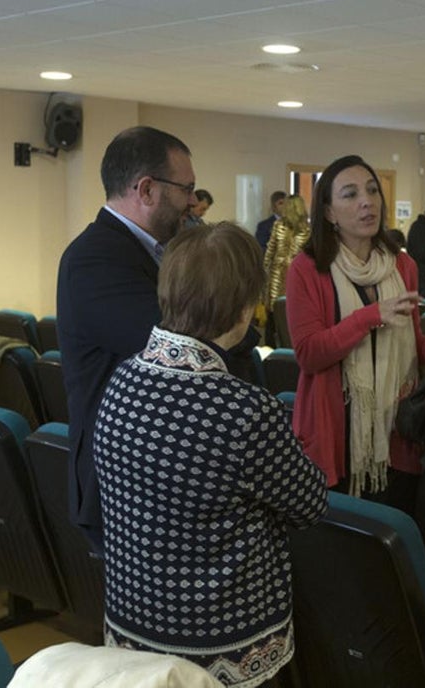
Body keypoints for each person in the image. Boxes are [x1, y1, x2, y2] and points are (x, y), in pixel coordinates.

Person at [95, 222, 328, 684]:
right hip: (219, 645)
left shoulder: (120, 380)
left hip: (131, 627)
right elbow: (311, 503)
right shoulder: (243, 410)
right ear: (244, 307)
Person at [57, 126, 258, 554]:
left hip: (166, 475)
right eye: (186, 188)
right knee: (147, 617)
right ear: (146, 190)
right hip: (125, 484)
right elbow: (183, 346)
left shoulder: (157, 250)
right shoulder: (95, 259)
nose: (192, 200)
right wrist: (240, 325)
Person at [286, 155, 425, 512]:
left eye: (371, 191)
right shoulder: (307, 268)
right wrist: (369, 317)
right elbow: (309, 353)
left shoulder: (402, 265)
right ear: (329, 213)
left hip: (395, 429)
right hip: (335, 432)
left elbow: (410, 340)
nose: (367, 201)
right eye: (350, 195)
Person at [262, 195, 310, 346]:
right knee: (292, 313)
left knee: (274, 315)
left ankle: (272, 350)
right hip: (297, 275)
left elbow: (270, 251)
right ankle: (290, 347)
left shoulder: (278, 225)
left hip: (278, 272)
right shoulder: (307, 229)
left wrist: (263, 272)